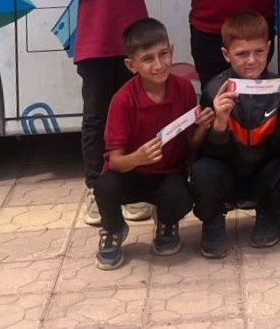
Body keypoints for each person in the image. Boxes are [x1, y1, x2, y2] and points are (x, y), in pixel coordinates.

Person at [60, 0, 159, 227]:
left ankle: (134, 187)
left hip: (135, 46)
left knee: (136, 115)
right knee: (96, 119)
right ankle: (95, 187)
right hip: (94, 44)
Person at [91, 18, 213, 270]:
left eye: (163, 54)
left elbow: (191, 143)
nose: (158, 65)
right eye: (148, 59)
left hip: (168, 173)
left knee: (181, 197)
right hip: (130, 173)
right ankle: (113, 229)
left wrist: (203, 127)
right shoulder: (122, 100)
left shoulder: (184, 89)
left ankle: (166, 221)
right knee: (103, 187)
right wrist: (138, 158)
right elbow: (115, 161)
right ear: (131, 65)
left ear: (172, 51)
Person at [191, 12, 280, 259]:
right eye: (242, 54)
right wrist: (220, 124)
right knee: (202, 171)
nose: (252, 61)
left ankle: (268, 214)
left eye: (259, 52)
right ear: (226, 55)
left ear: (268, 49)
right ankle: (212, 222)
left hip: (263, 174)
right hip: (228, 174)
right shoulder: (214, 90)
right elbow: (207, 153)